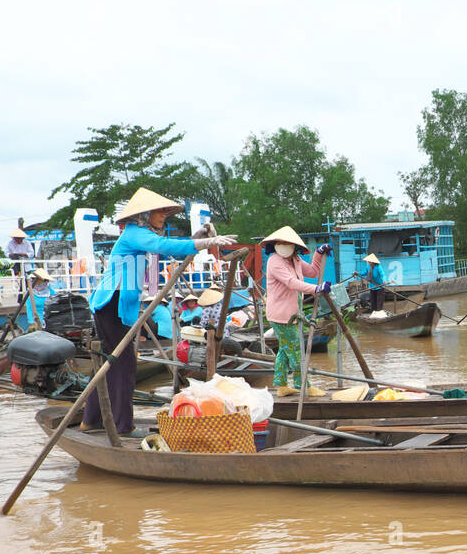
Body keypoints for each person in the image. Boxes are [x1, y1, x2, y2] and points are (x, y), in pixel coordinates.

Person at [83, 187, 234, 437]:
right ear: (144, 215)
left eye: (165, 211)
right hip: (112, 304)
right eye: (159, 211)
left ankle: (91, 419)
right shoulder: (134, 233)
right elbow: (163, 246)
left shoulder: (140, 237)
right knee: (122, 364)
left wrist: (199, 236)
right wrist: (208, 242)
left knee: (110, 363)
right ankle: (122, 426)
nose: (164, 214)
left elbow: (170, 247)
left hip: (118, 306)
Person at [263, 225, 329, 398]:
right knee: (296, 350)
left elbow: (314, 271)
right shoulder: (274, 261)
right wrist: (317, 289)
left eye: (287, 243)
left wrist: (319, 254)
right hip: (280, 315)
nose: (284, 245)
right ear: (275, 244)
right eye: (281, 242)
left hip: (292, 314)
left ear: (294, 246)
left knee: (285, 350)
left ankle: (281, 385)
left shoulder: (296, 259)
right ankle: (303, 386)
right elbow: (291, 282)